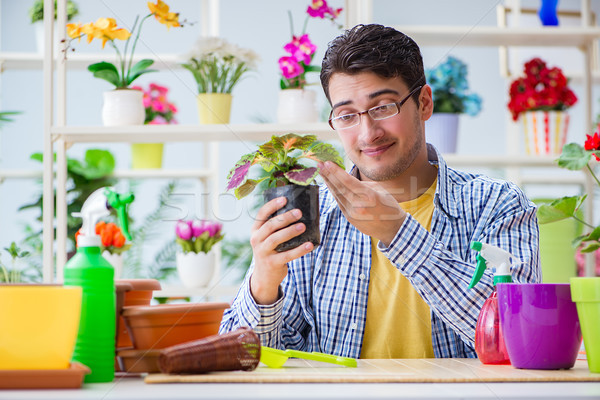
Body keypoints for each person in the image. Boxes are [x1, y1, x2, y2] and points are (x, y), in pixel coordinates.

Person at [219, 24, 541, 359]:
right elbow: (241, 358)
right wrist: (264, 285)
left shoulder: (497, 204)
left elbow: (519, 338)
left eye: (384, 107)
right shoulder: (312, 217)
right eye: (346, 115)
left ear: (424, 103)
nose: (367, 133)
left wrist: (397, 232)